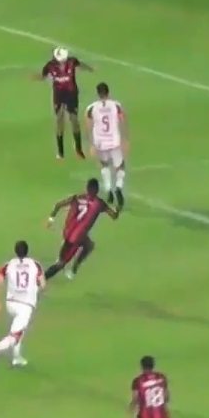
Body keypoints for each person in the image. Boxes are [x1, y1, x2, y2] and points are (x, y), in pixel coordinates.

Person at [45, 178, 120, 281]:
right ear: (97, 190)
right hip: (75, 238)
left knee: (89, 245)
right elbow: (114, 215)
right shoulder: (99, 203)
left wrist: (51, 219)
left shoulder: (77, 197)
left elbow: (59, 204)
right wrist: (117, 210)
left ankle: (72, 269)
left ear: (87, 188)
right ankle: (42, 278)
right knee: (60, 264)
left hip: (69, 232)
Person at [0, 240, 45, 368]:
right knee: (15, 335)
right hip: (25, 305)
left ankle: (16, 357)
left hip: (11, 303)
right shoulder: (35, 265)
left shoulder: (9, 264)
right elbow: (43, 285)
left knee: (19, 330)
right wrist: (36, 289)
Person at [37, 47, 93, 161]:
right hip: (59, 96)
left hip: (71, 95)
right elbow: (43, 76)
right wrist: (37, 77)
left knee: (74, 121)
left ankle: (78, 149)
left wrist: (89, 68)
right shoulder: (50, 66)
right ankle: (60, 151)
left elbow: (80, 64)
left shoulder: (72, 62)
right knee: (60, 122)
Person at [84, 82, 129, 210]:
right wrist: (125, 139)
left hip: (100, 142)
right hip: (114, 141)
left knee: (104, 165)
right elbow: (122, 120)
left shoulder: (91, 108)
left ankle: (109, 190)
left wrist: (91, 144)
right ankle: (118, 187)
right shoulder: (116, 105)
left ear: (98, 93)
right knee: (120, 166)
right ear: (108, 92)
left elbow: (88, 124)